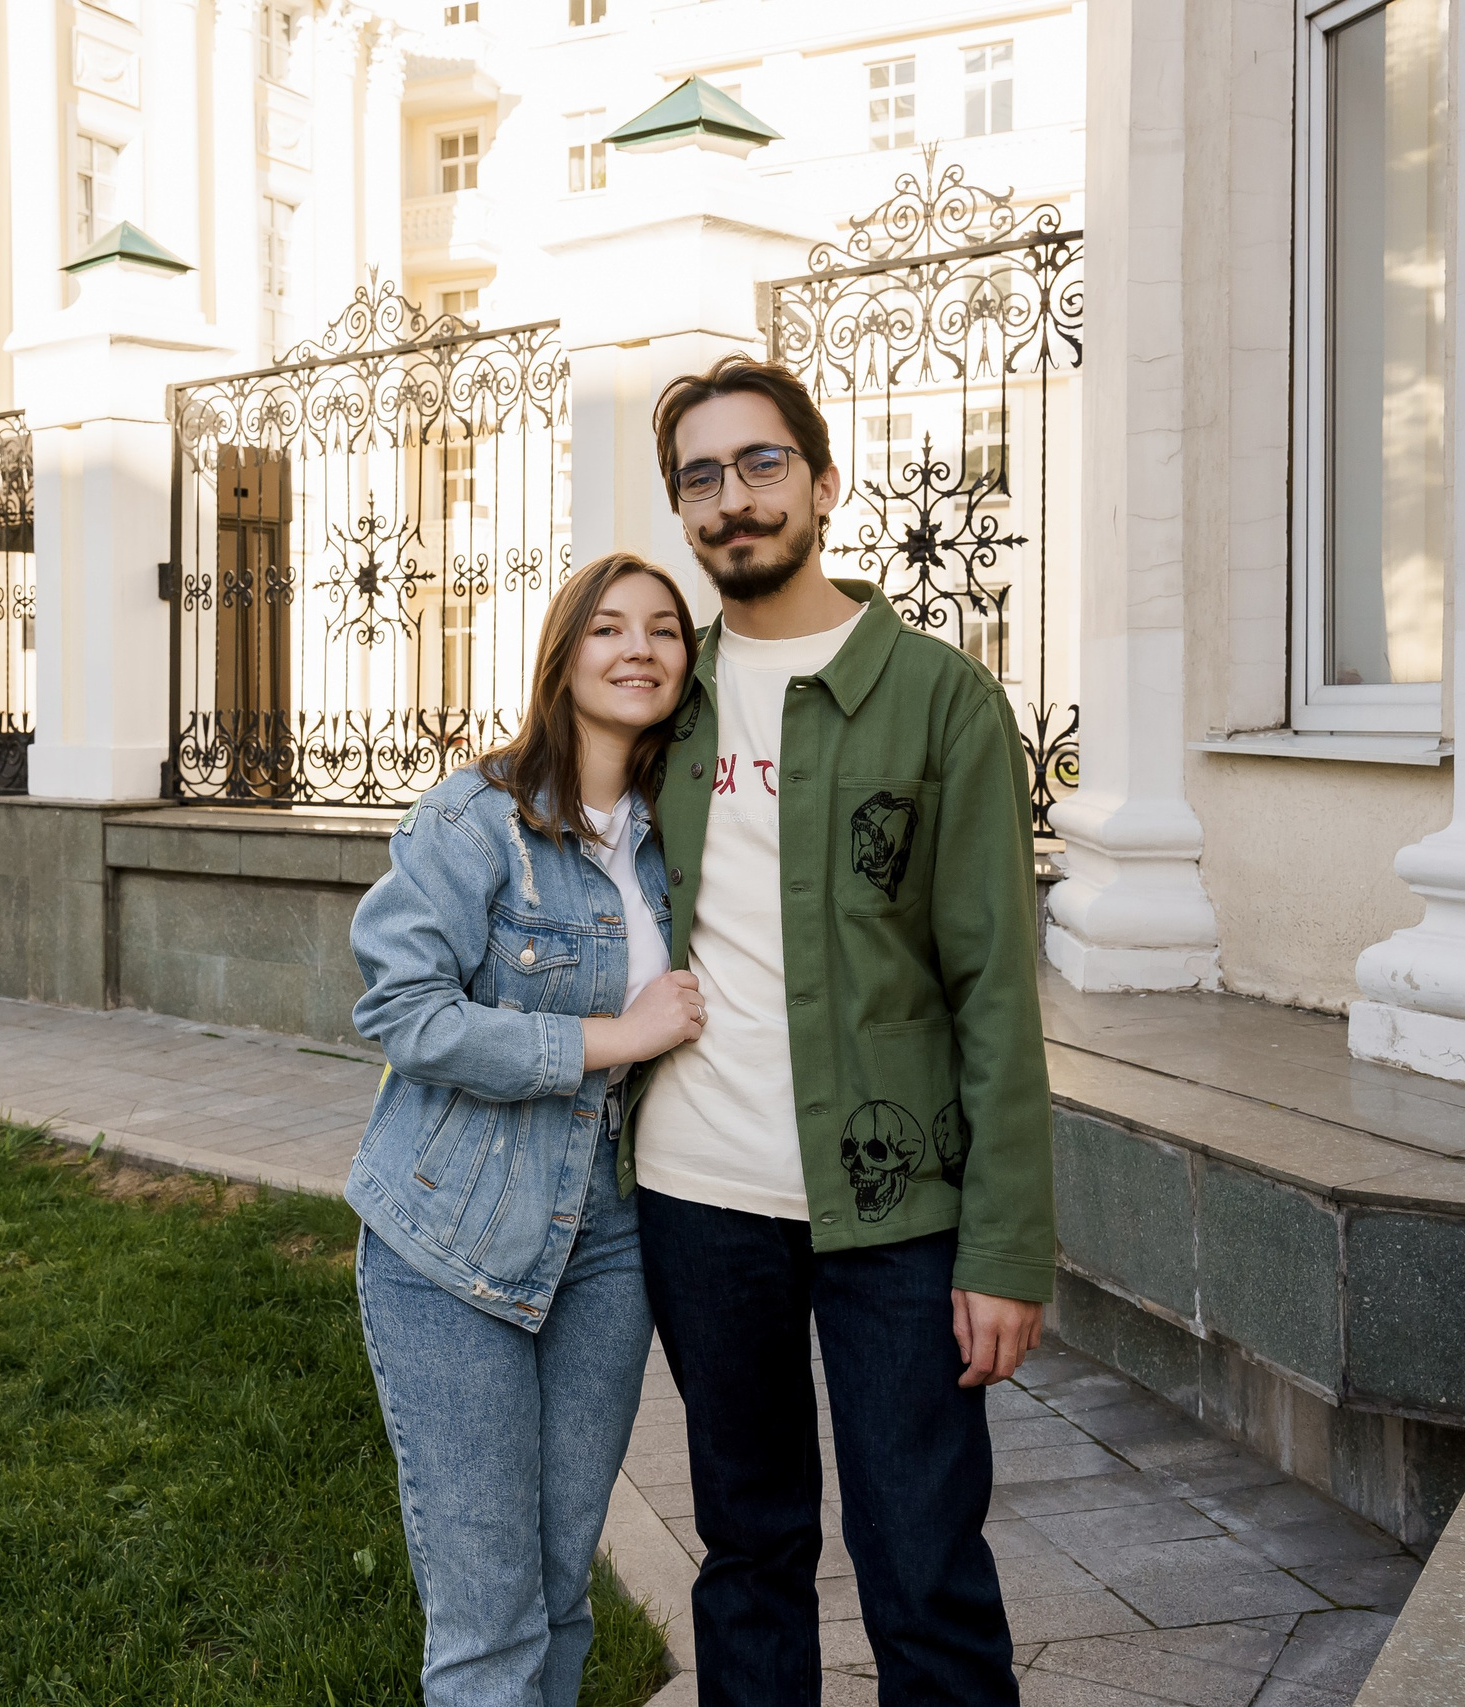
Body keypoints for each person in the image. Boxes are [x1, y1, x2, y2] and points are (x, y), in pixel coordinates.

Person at [624, 354, 1055, 1705]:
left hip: (899, 1209)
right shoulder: (659, 700)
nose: (734, 499)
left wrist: (1006, 1245)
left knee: (922, 1560)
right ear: (681, 509)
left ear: (822, 479)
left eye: (762, 464)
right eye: (702, 476)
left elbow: (994, 987)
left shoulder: (939, 699)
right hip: (699, 1197)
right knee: (748, 1550)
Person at [348, 552, 706, 1707]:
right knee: (488, 1612)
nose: (639, 647)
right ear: (563, 655)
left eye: (664, 629)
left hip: (608, 1241)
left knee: (559, 1585)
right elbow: (403, 1013)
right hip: (449, 1238)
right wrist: (613, 1037)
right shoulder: (474, 819)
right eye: (609, 628)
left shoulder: (674, 840)